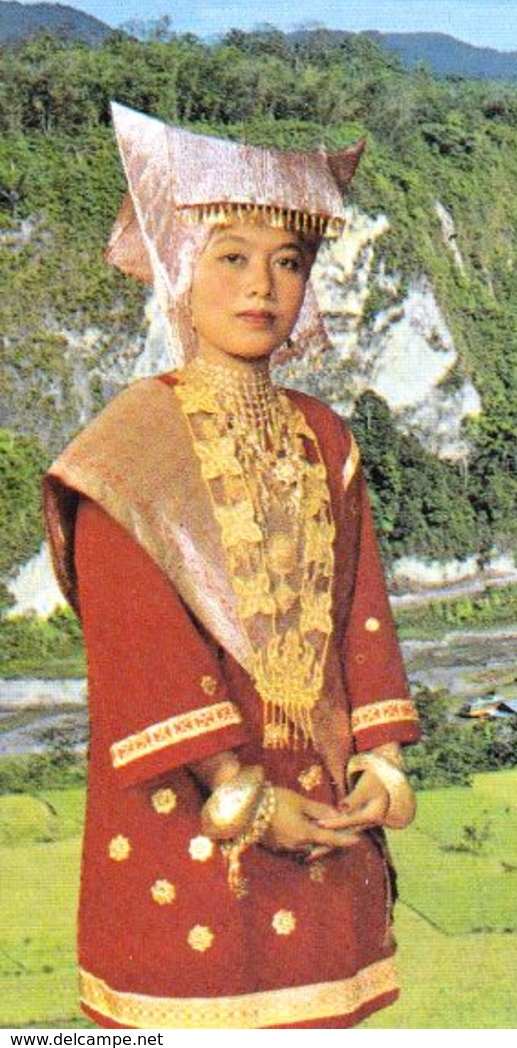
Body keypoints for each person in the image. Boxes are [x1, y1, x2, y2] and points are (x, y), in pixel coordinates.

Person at [41, 103, 421, 1029]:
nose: (263, 286)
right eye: (232, 257)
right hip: (187, 815)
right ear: (179, 268)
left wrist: (379, 757)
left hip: (324, 808)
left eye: (287, 261)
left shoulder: (324, 436)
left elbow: (357, 612)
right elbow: (142, 646)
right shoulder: (129, 451)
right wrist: (239, 795)